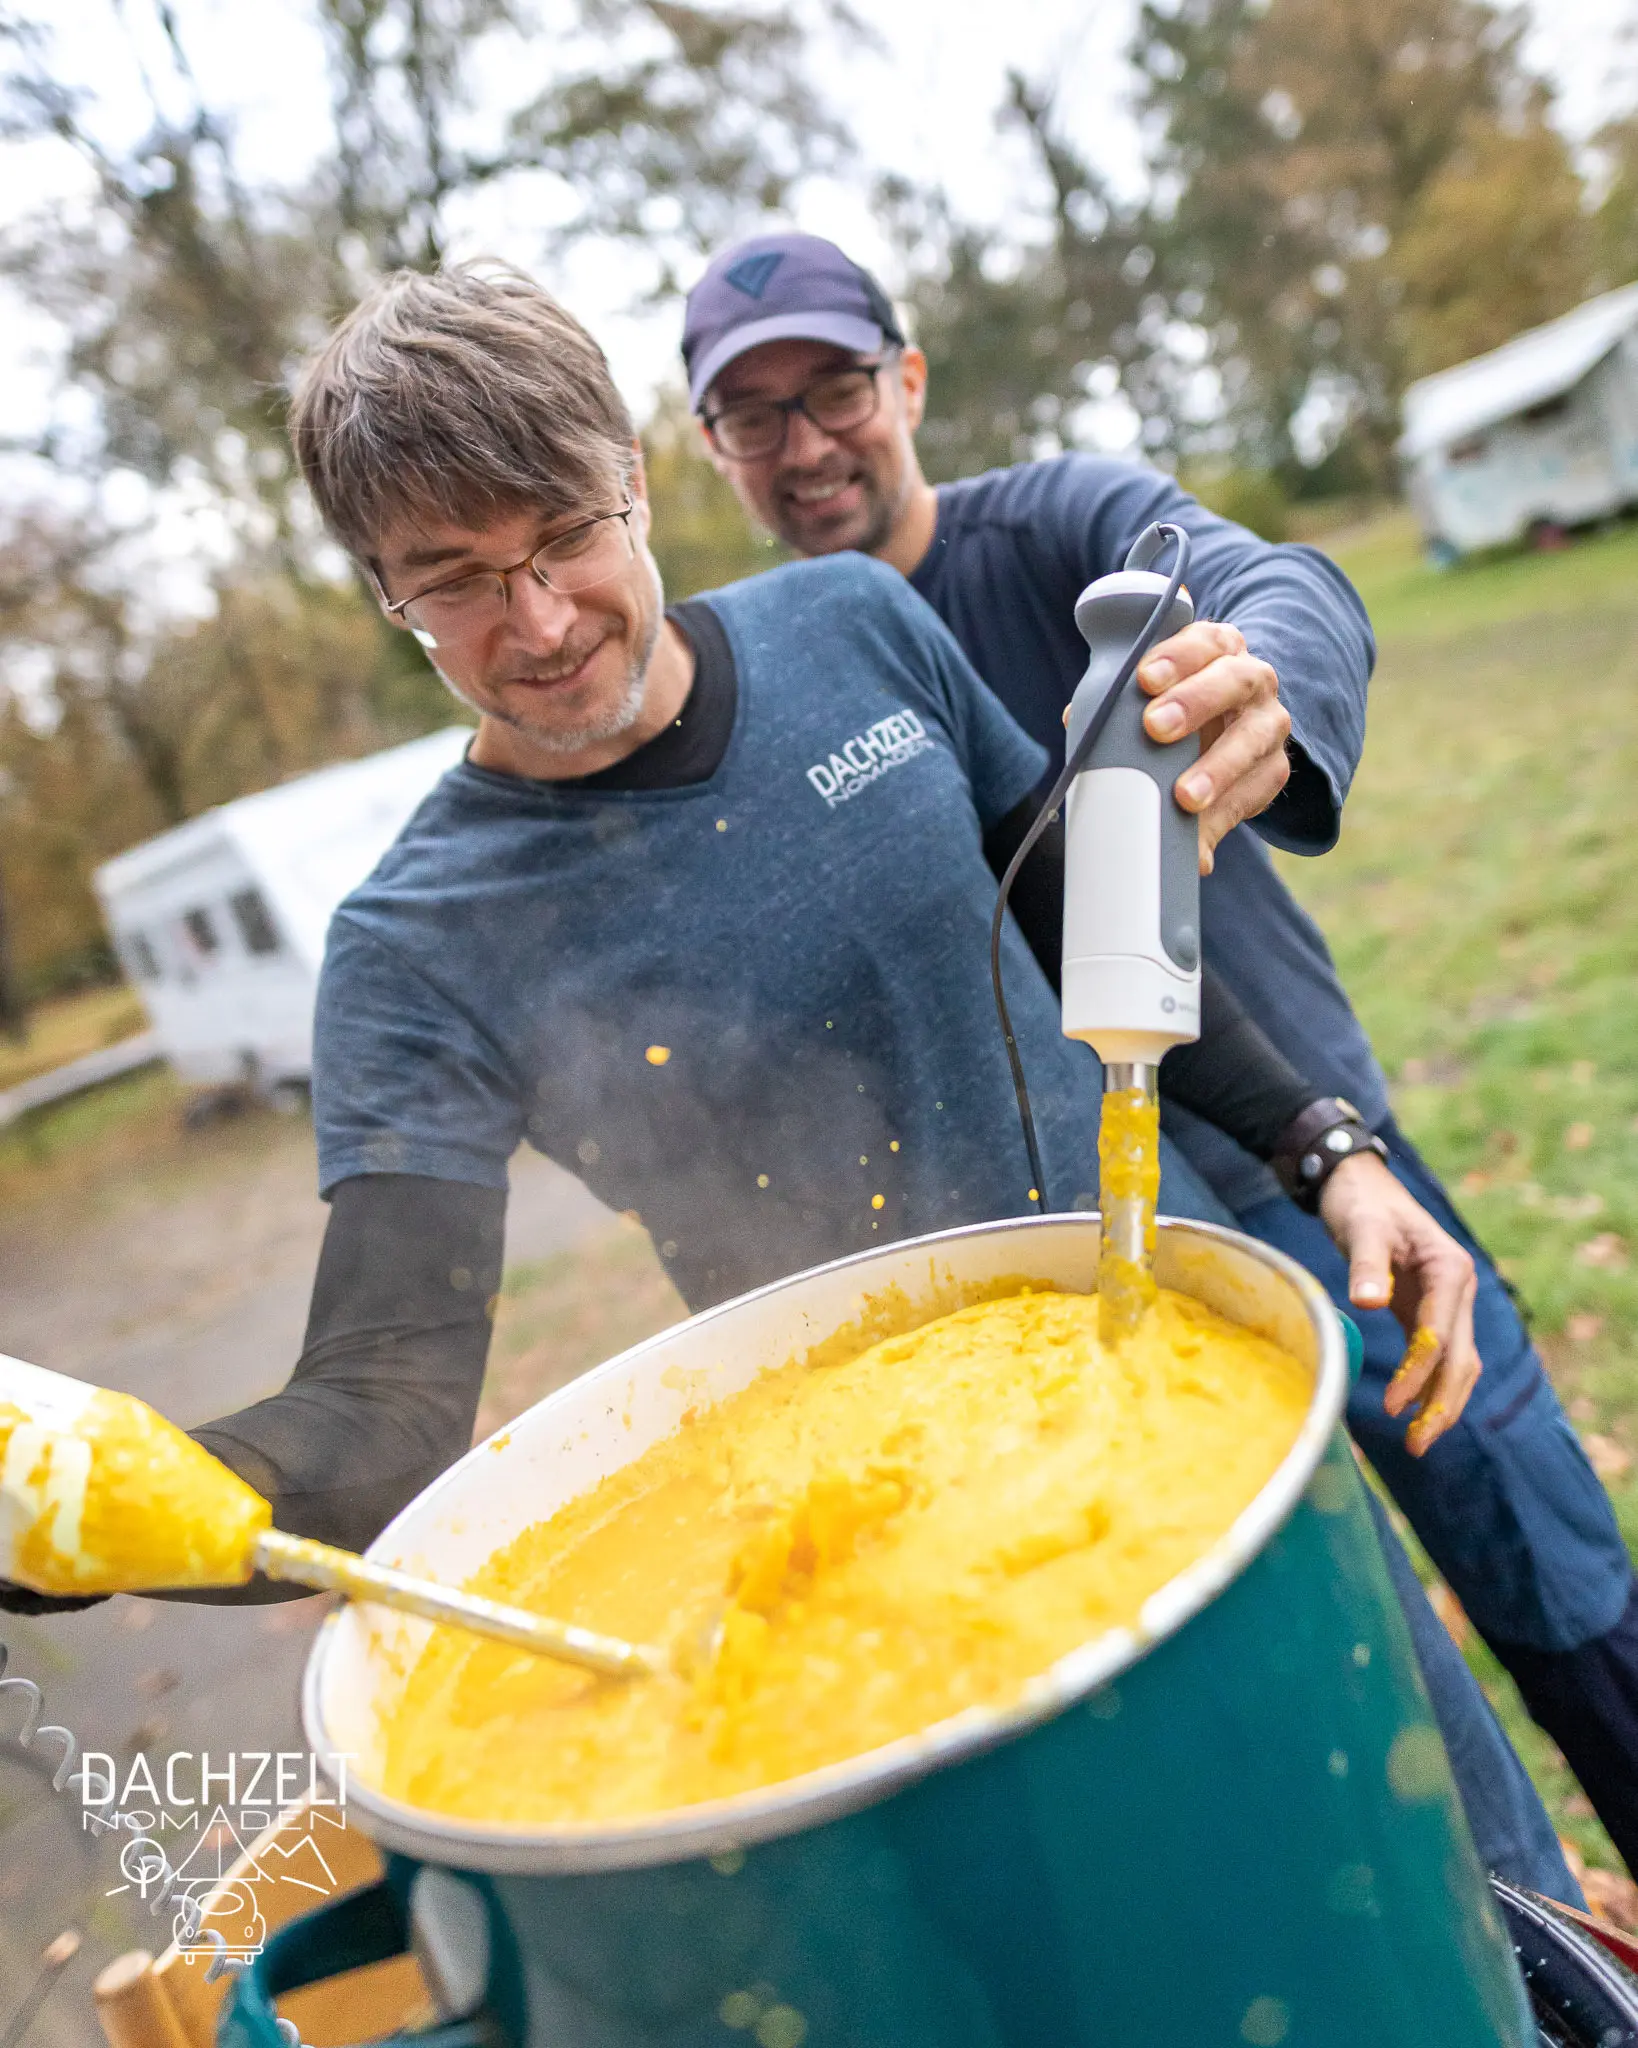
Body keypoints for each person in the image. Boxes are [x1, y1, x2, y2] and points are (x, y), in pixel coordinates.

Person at [0, 263, 1573, 1903]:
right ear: (380, 593)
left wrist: (1327, 1145)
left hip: (1186, 1374)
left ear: (632, 479)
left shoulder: (853, 625)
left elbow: (1085, 925)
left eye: (561, 539)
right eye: (452, 585)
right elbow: (381, 1421)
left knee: (1456, 1851)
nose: (534, 625)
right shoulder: (413, 947)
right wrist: (63, 1513)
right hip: (872, 1556)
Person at [682, 229, 1638, 1880]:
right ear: (709, 448)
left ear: (906, 382)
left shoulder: (1056, 527)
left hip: (1317, 1151)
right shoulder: (767, 678)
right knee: (1345, 1679)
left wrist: (1268, 680)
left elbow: (1283, 581)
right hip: (1112, 1265)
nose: (804, 442)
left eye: (833, 387)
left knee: (1537, 1547)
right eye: (751, 414)